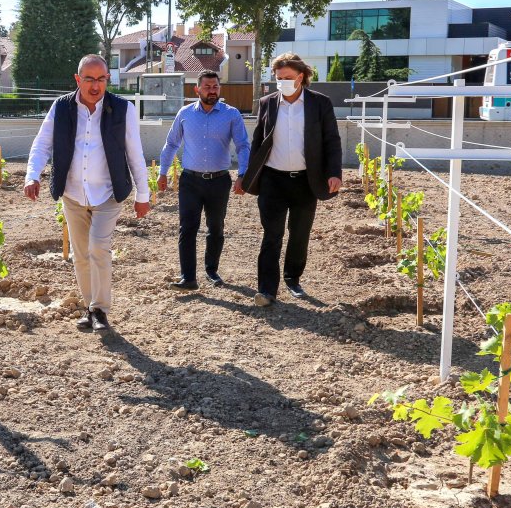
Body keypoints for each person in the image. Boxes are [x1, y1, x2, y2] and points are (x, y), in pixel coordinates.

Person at [24, 54, 152, 331]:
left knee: (98, 248)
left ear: (108, 79)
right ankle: (89, 307)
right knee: (80, 254)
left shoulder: (123, 109)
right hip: (73, 194)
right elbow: (42, 144)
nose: (96, 86)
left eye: (101, 79)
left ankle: (101, 310)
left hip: (108, 193)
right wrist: (32, 175)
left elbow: (135, 153)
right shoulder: (61, 107)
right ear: (77, 79)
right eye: (90, 79)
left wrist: (144, 195)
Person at [242, 52, 343, 307]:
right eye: (278, 78)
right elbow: (258, 141)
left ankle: (292, 278)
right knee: (271, 235)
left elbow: (332, 140)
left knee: (299, 234)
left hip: (305, 182)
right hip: (272, 181)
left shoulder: (320, 104)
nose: (282, 82)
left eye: (287, 77)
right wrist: (247, 175)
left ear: (301, 77)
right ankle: (266, 290)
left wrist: (334, 172)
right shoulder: (267, 103)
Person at [156, 69, 250, 289]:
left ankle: (212, 270)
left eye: (215, 86)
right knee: (187, 227)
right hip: (190, 181)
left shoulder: (232, 114)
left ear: (220, 88)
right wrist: (163, 172)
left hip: (219, 181)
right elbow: (171, 144)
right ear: (196, 89)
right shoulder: (185, 114)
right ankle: (188, 277)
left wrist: (243, 175)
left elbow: (243, 145)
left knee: (215, 227)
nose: (211, 91)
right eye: (207, 87)